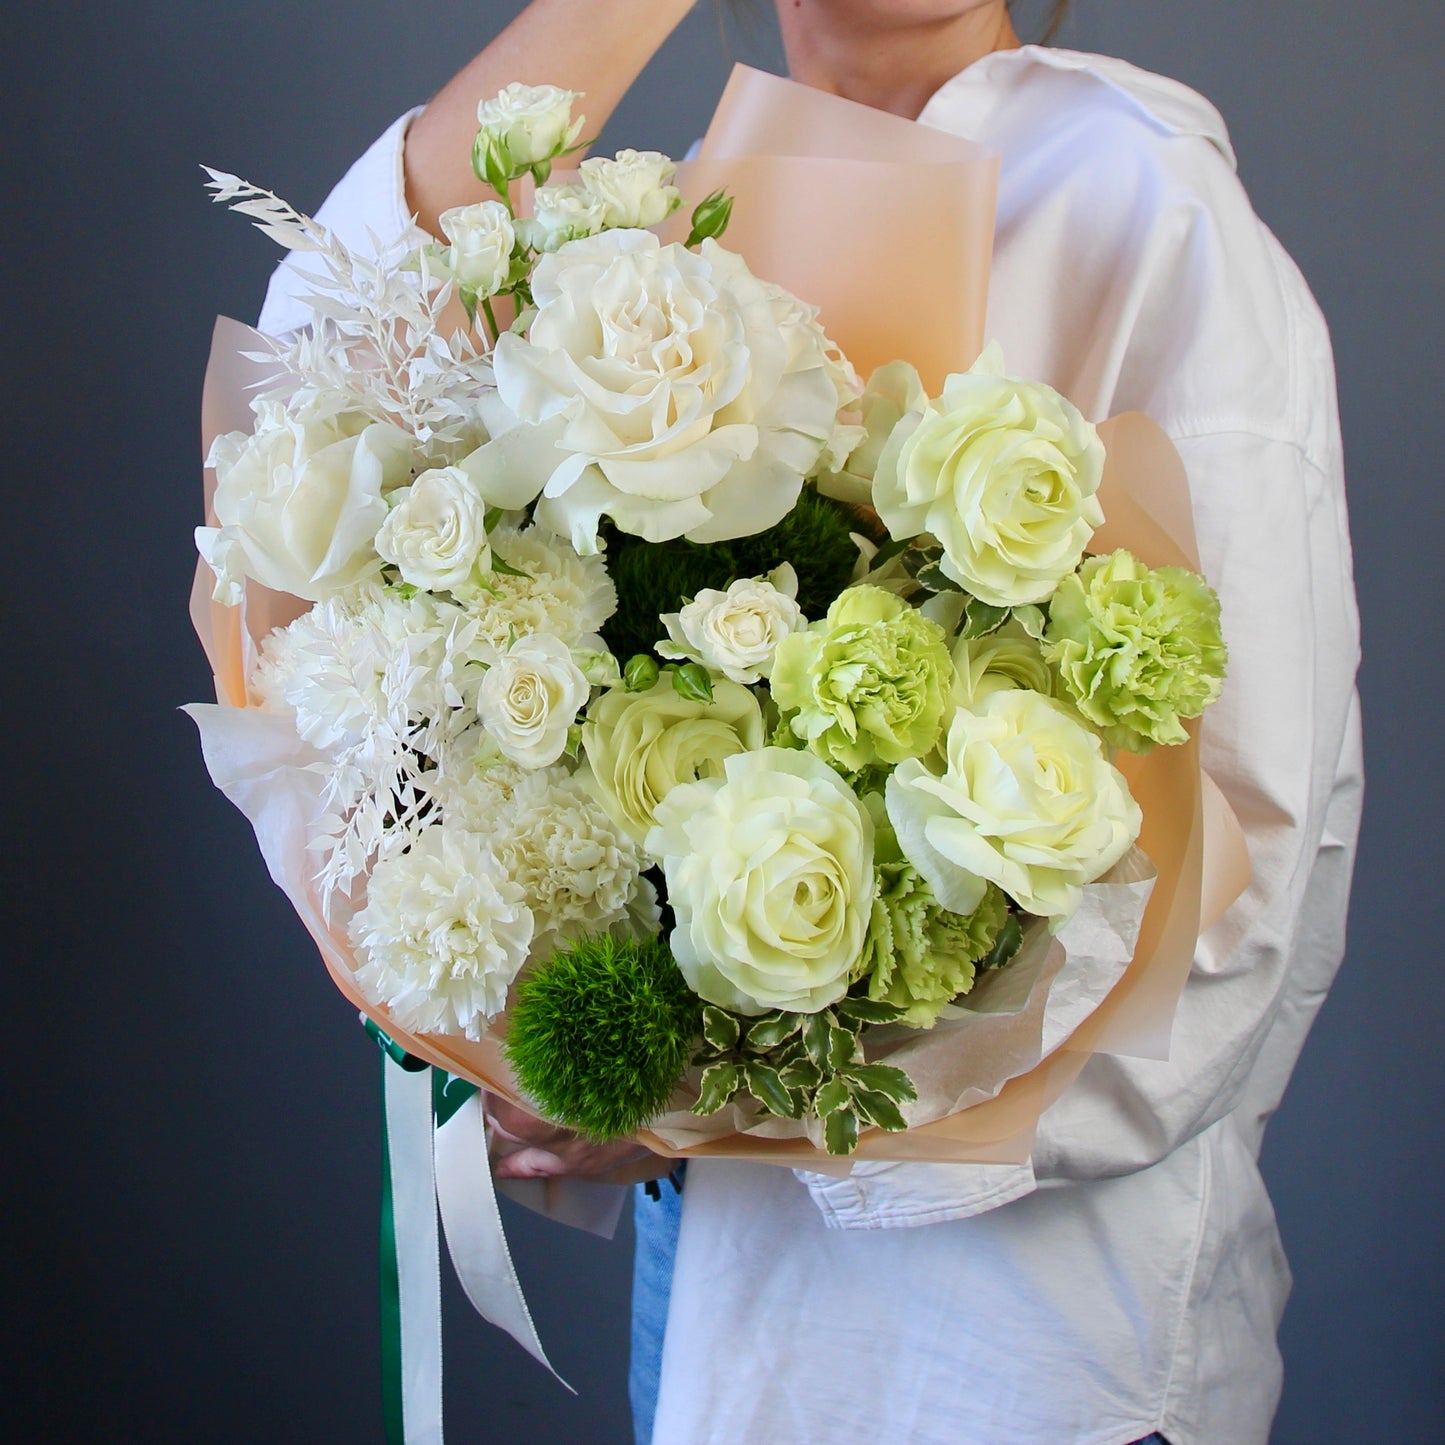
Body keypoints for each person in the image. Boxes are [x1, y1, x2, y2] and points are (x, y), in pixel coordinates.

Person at [257, 3, 1363, 1442]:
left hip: (1029, 1359)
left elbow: (1233, 886)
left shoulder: (1142, 204)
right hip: (725, 1317)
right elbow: (316, 390)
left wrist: (706, 1095)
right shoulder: (675, 220)